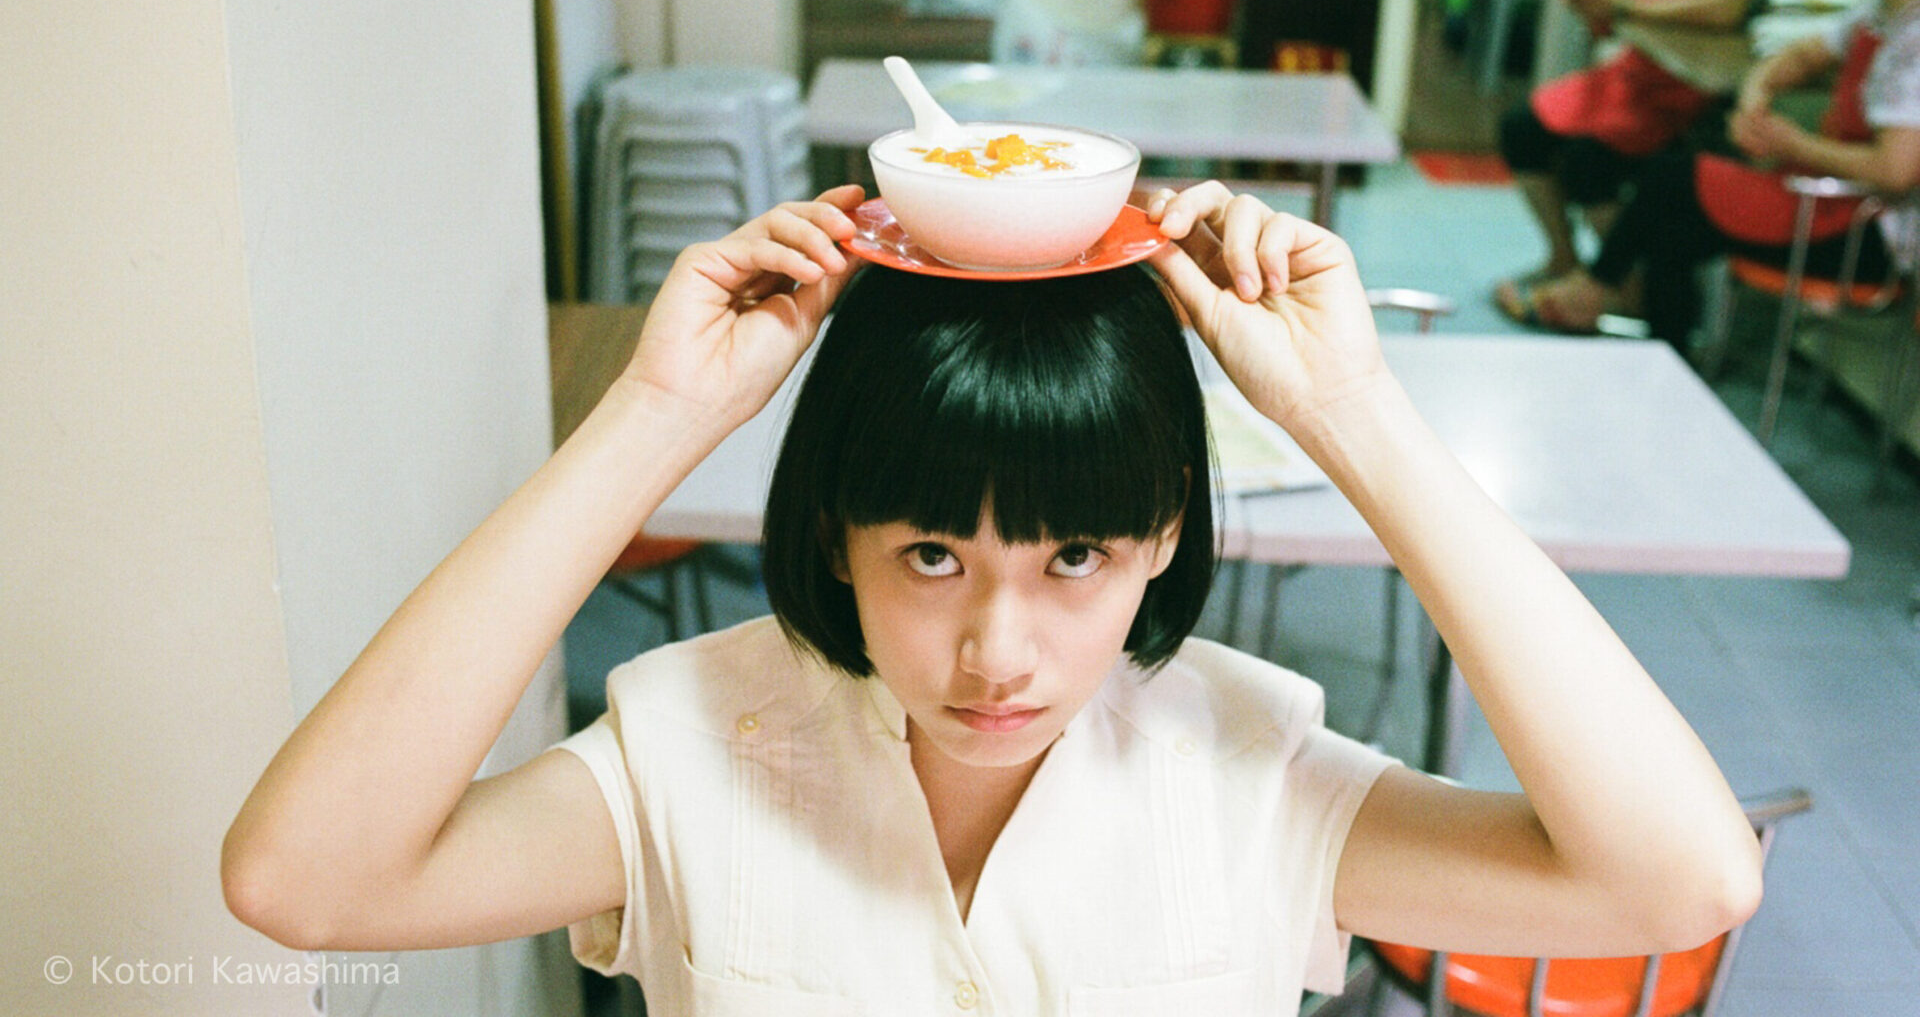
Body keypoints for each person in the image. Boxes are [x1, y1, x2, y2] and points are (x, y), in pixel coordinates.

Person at [222, 179, 1762, 1013]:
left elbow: (1680, 883)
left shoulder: (1254, 780)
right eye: (931, 556)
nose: (996, 652)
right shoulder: (692, 749)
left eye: (1073, 557)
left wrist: (1350, 413)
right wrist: (657, 413)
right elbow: (306, 883)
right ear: (835, 535)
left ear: (1162, 538)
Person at [1510, 0, 1920, 348]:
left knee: (1672, 177)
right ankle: (1660, 354)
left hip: (1861, 232)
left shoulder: (1913, 42)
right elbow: (1804, 55)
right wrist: (1756, 93)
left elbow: (1896, 171)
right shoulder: (1879, 14)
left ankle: (1590, 291)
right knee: (1668, 234)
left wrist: (1792, 144)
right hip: (1822, 198)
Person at [1497, 0, 1768, 320]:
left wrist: (1626, 6)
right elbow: (1620, 8)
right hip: (1633, 77)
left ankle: (1623, 284)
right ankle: (1563, 257)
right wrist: (1599, 11)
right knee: (1522, 128)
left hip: (1691, 93)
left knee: (1589, 160)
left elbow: (1723, 6)